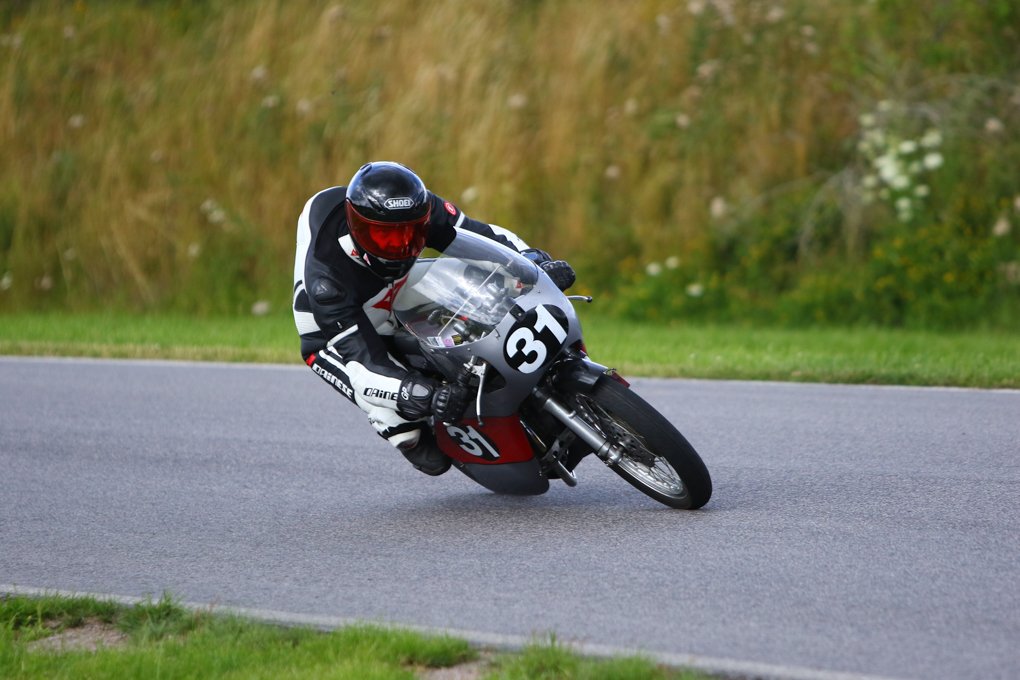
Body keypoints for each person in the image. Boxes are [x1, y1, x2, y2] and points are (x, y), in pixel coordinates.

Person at [292, 162, 575, 476]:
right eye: (385, 237)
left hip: (397, 285)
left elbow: (484, 238)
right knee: (424, 449)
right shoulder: (327, 283)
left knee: (481, 280)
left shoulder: (421, 207)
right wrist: (426, 395)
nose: (401, 245)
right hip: (332, 332)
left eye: (412, 233)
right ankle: (405, 430)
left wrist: (535, 265)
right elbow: (366, 367)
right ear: (357, 228)